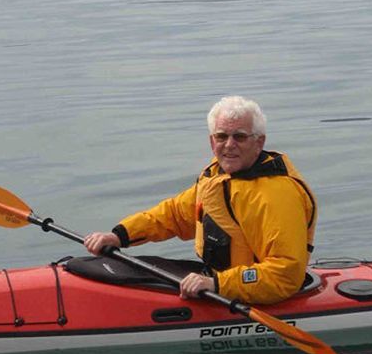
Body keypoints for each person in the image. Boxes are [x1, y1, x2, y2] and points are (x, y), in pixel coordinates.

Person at [83, 95, 317, 305]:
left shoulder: (276, 195)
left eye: (240, 137)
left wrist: (217, 284)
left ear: (259, 143)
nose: (229, 145)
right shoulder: (217, 177)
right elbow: (174, 215)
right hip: (217, 281)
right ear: (212, 142)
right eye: (222, 136)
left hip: (252, 292)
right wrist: (120, 235)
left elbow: (285, 273)